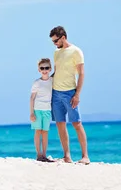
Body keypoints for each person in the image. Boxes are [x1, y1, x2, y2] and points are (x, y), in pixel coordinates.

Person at [49, 25, 90, 164]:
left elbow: (82, 73)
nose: (54, 44)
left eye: (56, 41)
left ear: (63, 37)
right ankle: (67, 156)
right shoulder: (56, 52)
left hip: (69, 92)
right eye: (53, 41)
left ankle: (85, 156)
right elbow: (57, 71)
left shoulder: (76, 51)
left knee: (77, 123)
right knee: (60, 124)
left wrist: (77, 94)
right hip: (55, 93)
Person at [30, 58, 54, 162]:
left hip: (47, 110)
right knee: (38, 132)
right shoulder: (36, 82)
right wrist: (31, 113)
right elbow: (32, 98)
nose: (44, 70)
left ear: (50, 69)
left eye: (47, 68)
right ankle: (38, 154)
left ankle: (44, 154)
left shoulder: (52, 81)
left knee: (45, 132)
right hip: (37, 110)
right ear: (39, 70)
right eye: (42, 68)